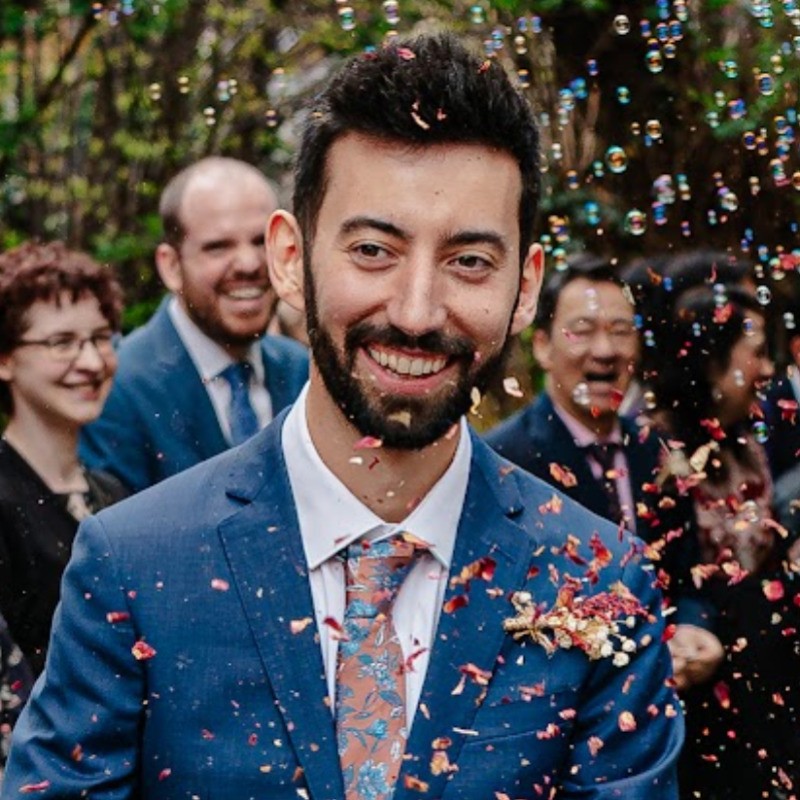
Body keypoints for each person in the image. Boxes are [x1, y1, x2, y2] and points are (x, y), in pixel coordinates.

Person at [3, 34, 682, 799]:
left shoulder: (598, 580)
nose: (417, 313)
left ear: (524, 288)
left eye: (469, 262)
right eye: (372, 250)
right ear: (291, 260)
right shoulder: (132, 565)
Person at [486, 254, 723, 693]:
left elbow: (690, 574)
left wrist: (695, 628)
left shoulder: (657, 449)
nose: (605, 350)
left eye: (620, 331)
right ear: (542, 346)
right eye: (582, 330)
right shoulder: (503, 458)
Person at [79, 157, 309, 492]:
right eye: (218, 247)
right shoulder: (119, 387)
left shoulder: (300, 369)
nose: (249, 263)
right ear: (171, 266)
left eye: (261, 241)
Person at [653, 284, 800, 799]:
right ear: (712, 363)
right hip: (703, 689)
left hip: (768, 675)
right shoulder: (660, 457)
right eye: (756, 353)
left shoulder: (750, 445)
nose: (769, 371)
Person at [0, 241, 128, 675]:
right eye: (61, 343)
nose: (91, 362)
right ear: (5, 359)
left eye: (100, 339)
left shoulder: (113, 493)